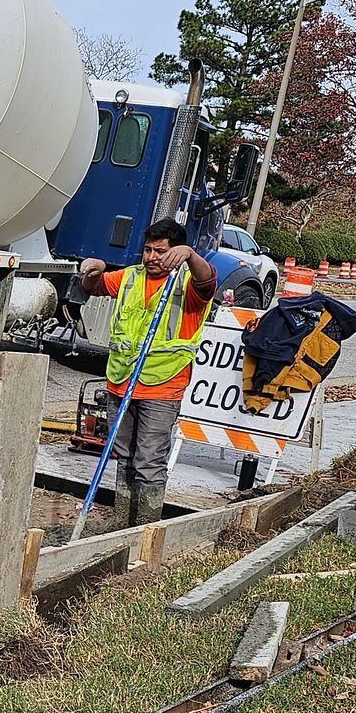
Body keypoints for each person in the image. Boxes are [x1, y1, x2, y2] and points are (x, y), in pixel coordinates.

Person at [77, 217, 216, 525]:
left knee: (149, 462)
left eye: (161, 251)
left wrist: (191, 256)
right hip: (121, 381)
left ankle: (144, 528)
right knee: (123, 456)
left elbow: (207, 281)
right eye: (148, 250)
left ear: (175, 251)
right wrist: (92, 270)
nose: (153, 257)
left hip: (162, 385)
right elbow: (93, 286)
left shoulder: (187, 284)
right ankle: (122, 520)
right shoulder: (130, 278)